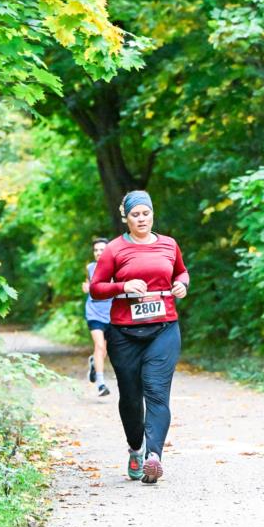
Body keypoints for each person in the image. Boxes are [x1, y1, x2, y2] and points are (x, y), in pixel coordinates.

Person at [89, 190, 189, 484]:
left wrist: (182, 285)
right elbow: (96, 287)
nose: (141, 218)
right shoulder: (115, 250)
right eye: (135, 214)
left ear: (152, 214)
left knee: (157, 391)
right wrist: (122, 286)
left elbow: (181, 273)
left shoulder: (169, 245)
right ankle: (136, 448)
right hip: (124, 333)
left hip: (164, 328)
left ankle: (154, 456)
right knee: (132, 398)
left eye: (146, 213)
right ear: (127, 218)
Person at [82, 237, 111, 398]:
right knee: (99, 346)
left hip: (111, 314)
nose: (99, 253)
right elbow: (87, 284)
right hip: (94, 313)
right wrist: (86, 288)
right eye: (96, 250)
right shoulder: (90, 267)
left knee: (103, 351)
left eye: (102, 249)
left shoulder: (116, 267)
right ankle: (101, 384)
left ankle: (94, 363)